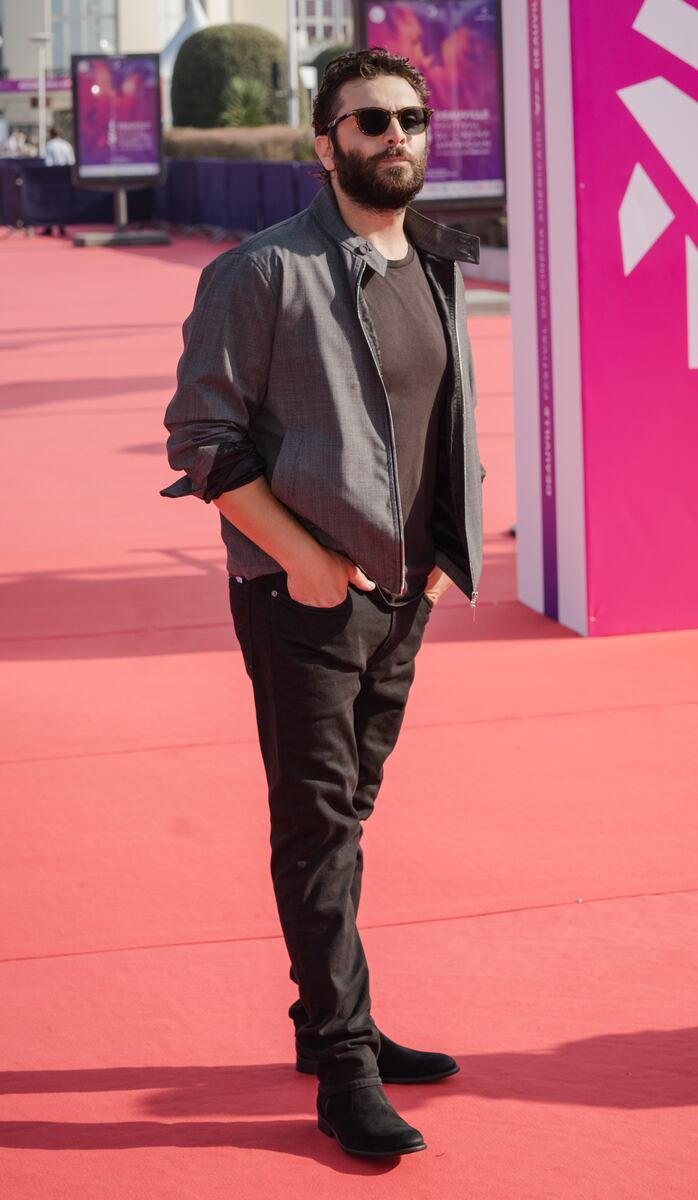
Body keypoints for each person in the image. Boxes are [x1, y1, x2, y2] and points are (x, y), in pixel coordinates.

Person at [161, 47, 483, 1159]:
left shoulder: (431, 261)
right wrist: (298, 557)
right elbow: (202, 442)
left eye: (409, 118)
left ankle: (323, 1020)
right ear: (324, 143)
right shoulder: (259, 272)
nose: (393, 135)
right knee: (315, 825)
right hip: (303, 598)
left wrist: (442, 545)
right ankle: (343, 1063)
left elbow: (435, 424)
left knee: (347, 818)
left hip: (405, 597)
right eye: (367, 121)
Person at [42, 126, 75, 237]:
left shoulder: (49, 145)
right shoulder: (66, 145)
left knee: (50, 203)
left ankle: (49, 227)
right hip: (64, 177)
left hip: (52, 178)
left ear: (51, 134)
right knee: (62, 202)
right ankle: (62, 227)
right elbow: (71, 161)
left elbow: (48, 162)